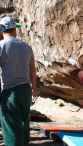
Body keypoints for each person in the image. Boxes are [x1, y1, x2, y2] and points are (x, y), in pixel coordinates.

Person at [0, 17, 37, 146]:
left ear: (1, 30)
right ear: (15, 29)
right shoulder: (27, 47)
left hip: (10, 91)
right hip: (26, 89)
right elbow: (33, 70)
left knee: (10, 128)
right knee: (23, 123)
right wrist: (34, 88)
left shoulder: (1, 46)